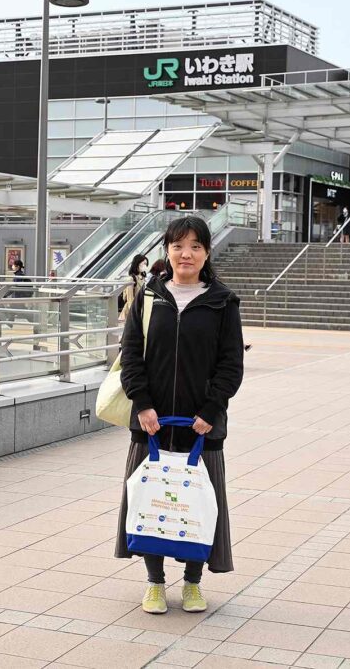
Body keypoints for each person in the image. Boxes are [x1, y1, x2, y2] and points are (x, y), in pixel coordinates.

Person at [115, 216, 244, 615]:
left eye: (195, 246)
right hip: (151, 423)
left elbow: (231, 364)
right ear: (167, 251)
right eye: (178, 246)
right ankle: (154, 583)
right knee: (150, 499)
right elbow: (130, 356)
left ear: (207, 253)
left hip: (201, 427)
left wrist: (211, 409)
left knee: (197, 504)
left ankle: (192, 582)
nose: (186, 254)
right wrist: (142, 404)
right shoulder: (148, 297)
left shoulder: (223, 302)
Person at [119, 254, 148, 321]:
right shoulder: (131, 279)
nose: (145, 266)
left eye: (146, 264)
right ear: (137, 264)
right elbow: (130, 299)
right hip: (131, 312)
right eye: (144, 263)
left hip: (140, 309)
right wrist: (134, 314)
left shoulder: (143, 278)